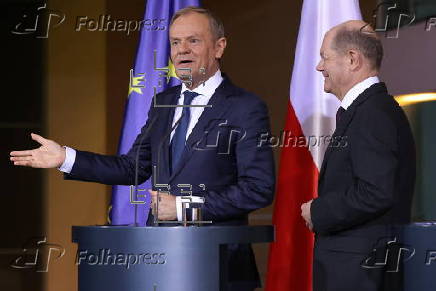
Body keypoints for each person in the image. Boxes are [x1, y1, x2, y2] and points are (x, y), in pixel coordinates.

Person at [10, 7, 275, 291]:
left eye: (193, 41)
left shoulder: (245, 108)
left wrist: (185, 208)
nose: (182, 50)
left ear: (219, 47)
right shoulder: (163, 102)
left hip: (218, 266)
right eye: (175, 42)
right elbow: (132, 167)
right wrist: (67, 157)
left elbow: (257, 188)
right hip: (159, 261)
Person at [301, 20, 415, 291]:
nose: (319, 67)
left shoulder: (372, 113)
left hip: (361, 273)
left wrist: (318, 210)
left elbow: (376, 191)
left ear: (352, 59)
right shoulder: (369, 110)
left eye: (324, 58)